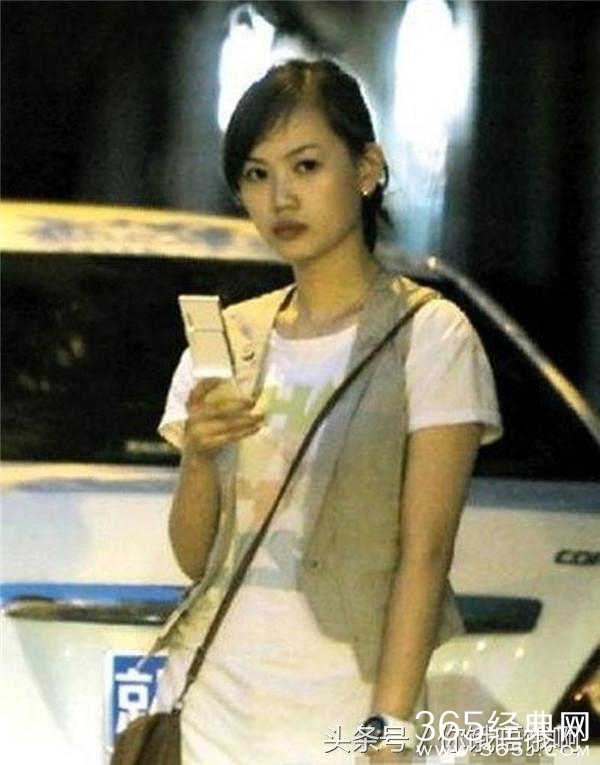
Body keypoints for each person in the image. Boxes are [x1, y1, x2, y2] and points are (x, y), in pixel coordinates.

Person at [155, 58, 502, 764]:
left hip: (346, 709)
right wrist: (198, 454)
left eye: (306, 166)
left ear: (366, 168)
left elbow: (425, 556)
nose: (280, 196)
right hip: (214, 710)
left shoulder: (430, 336)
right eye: (256, 174)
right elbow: (194, 560)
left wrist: (388, 736)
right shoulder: (226, 340)